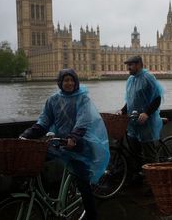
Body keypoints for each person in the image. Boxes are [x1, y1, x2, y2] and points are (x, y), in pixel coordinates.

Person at [20, 68, 110, 220]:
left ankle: (92, 215)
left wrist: (74, 137)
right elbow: (44, 121)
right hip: (59, 142)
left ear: (76, 82)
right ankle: (42, 194)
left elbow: (83, 120)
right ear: (60, 83)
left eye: (72, 80)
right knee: (35, 159)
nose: (69, 83)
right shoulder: (53, 100)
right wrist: (27, 134)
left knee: (83, 185)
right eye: (65, 80)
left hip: (78, 143)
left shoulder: (83, 99)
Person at [116, 55, 164, 181]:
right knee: (135, 152)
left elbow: (157, 98)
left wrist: (147, 113)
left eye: (130, 65)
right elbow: (131, 100)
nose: (128, 68)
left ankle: (156, 182)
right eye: (128, 65)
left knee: (150, 155)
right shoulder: (130, 80)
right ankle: (138, 176)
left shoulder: (148, 78)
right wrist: (122, 110)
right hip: (133, 122)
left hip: (146, 122)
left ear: (138, 64)